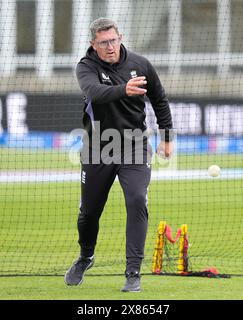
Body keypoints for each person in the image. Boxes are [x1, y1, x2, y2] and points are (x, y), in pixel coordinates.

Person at [64, 17, 174, 292]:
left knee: (137, 200)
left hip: (135, 145)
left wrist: (167, 138)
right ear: (93, 44)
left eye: (113, 40)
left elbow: (159, 100)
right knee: (89, 213)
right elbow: (95, 93)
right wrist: (123, 89)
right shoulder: (85, 67)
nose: (110, 47)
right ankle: (85, 257)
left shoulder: (140, 65)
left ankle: (133, 272)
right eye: (103, 43)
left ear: (120, 37)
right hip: (97, 148)